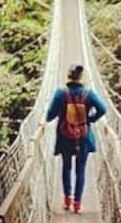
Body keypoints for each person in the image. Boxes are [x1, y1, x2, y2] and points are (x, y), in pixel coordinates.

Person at [46, 64, 107, 213]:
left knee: (66, 167)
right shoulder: (89, 93)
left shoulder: (60, 93)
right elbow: (103, 109)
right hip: (83, 137)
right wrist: (91, 119)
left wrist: (50, 116)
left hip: (65, 137)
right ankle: (78, 204)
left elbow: (49, 116)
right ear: (81, 78)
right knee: (81, 170)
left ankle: (67, 200)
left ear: (68, 76)